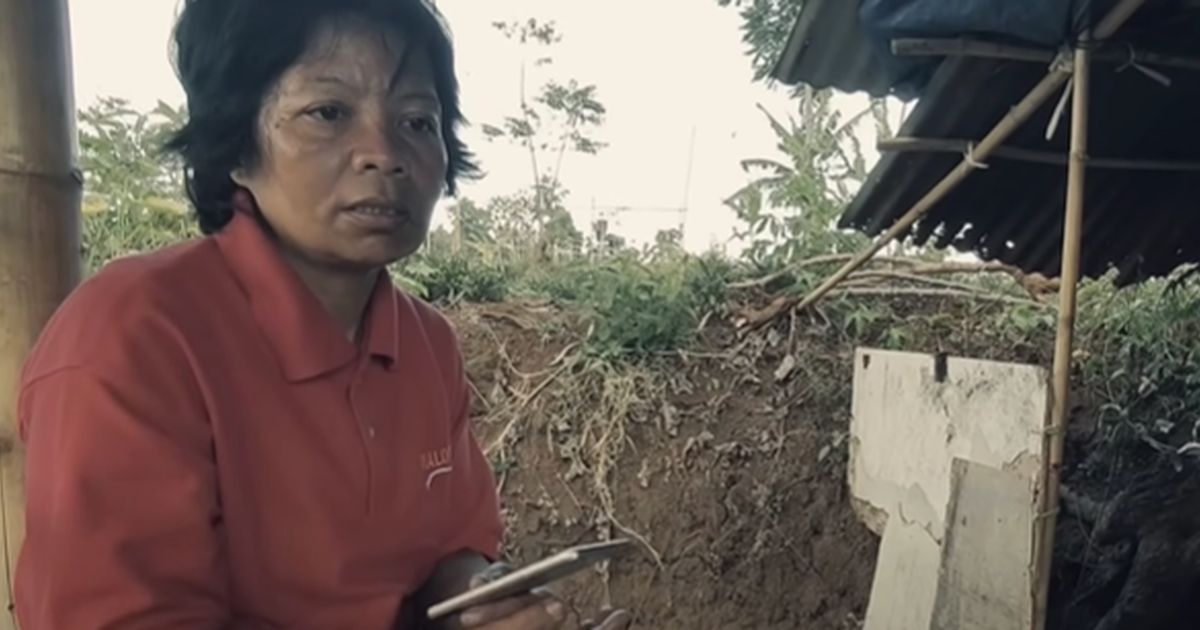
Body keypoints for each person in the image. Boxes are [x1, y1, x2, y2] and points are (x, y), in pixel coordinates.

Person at [13, 1, 632, 628]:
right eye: (329, 113)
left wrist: (483, 593)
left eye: (418, 121)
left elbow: (453, 549)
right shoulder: (132, 335)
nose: (383, 154)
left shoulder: (425, 343)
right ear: (234, 144)